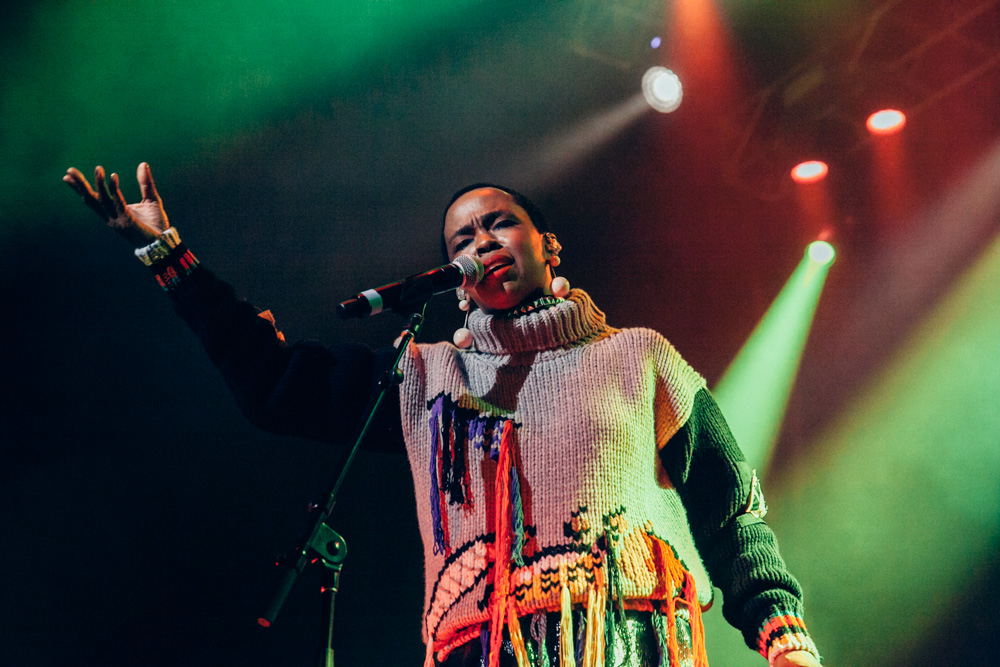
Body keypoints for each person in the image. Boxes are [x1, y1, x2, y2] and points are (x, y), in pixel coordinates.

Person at [64, 163, 823, 667]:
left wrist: (781, 634)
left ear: (548, 246)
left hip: (631, 636)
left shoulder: (640, 356)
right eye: (462, 237)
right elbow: (276, 386)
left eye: (499, 223)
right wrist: (168, 256)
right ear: (452, 280)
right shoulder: (426, 373)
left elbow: (732, 513)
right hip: (480, 647)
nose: (480, 241)